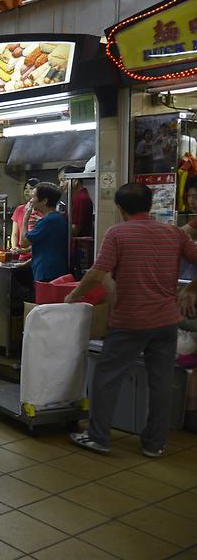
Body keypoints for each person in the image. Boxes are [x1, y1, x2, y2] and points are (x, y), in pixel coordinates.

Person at [67, 183, 197, 457]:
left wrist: (72, 297)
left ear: (120, 208)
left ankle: (98, 437)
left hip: (130, 321)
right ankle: (154, 444)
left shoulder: (118, 233)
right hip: (165, 322)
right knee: (161, 383)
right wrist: (191, 289)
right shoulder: (173, 233)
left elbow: (96, 272)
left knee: (106, 377)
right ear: (150, 205)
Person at [19, 182, 68, 282]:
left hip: (46, 272)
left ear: (44, 201)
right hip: (56, 270)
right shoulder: (58, 218)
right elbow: (46, 248)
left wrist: (25, 217)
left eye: (33, 197)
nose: (31, 200)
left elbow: (23, 243)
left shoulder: (47, 221)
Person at [10, 178, 42, 249]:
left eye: (31, 188)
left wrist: (27, 250)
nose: (27, 191)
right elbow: (15, 233)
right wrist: (14, 247)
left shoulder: (42, 210)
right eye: (25, 188)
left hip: (36, 253)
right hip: (21, 255)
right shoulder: (19, 209)